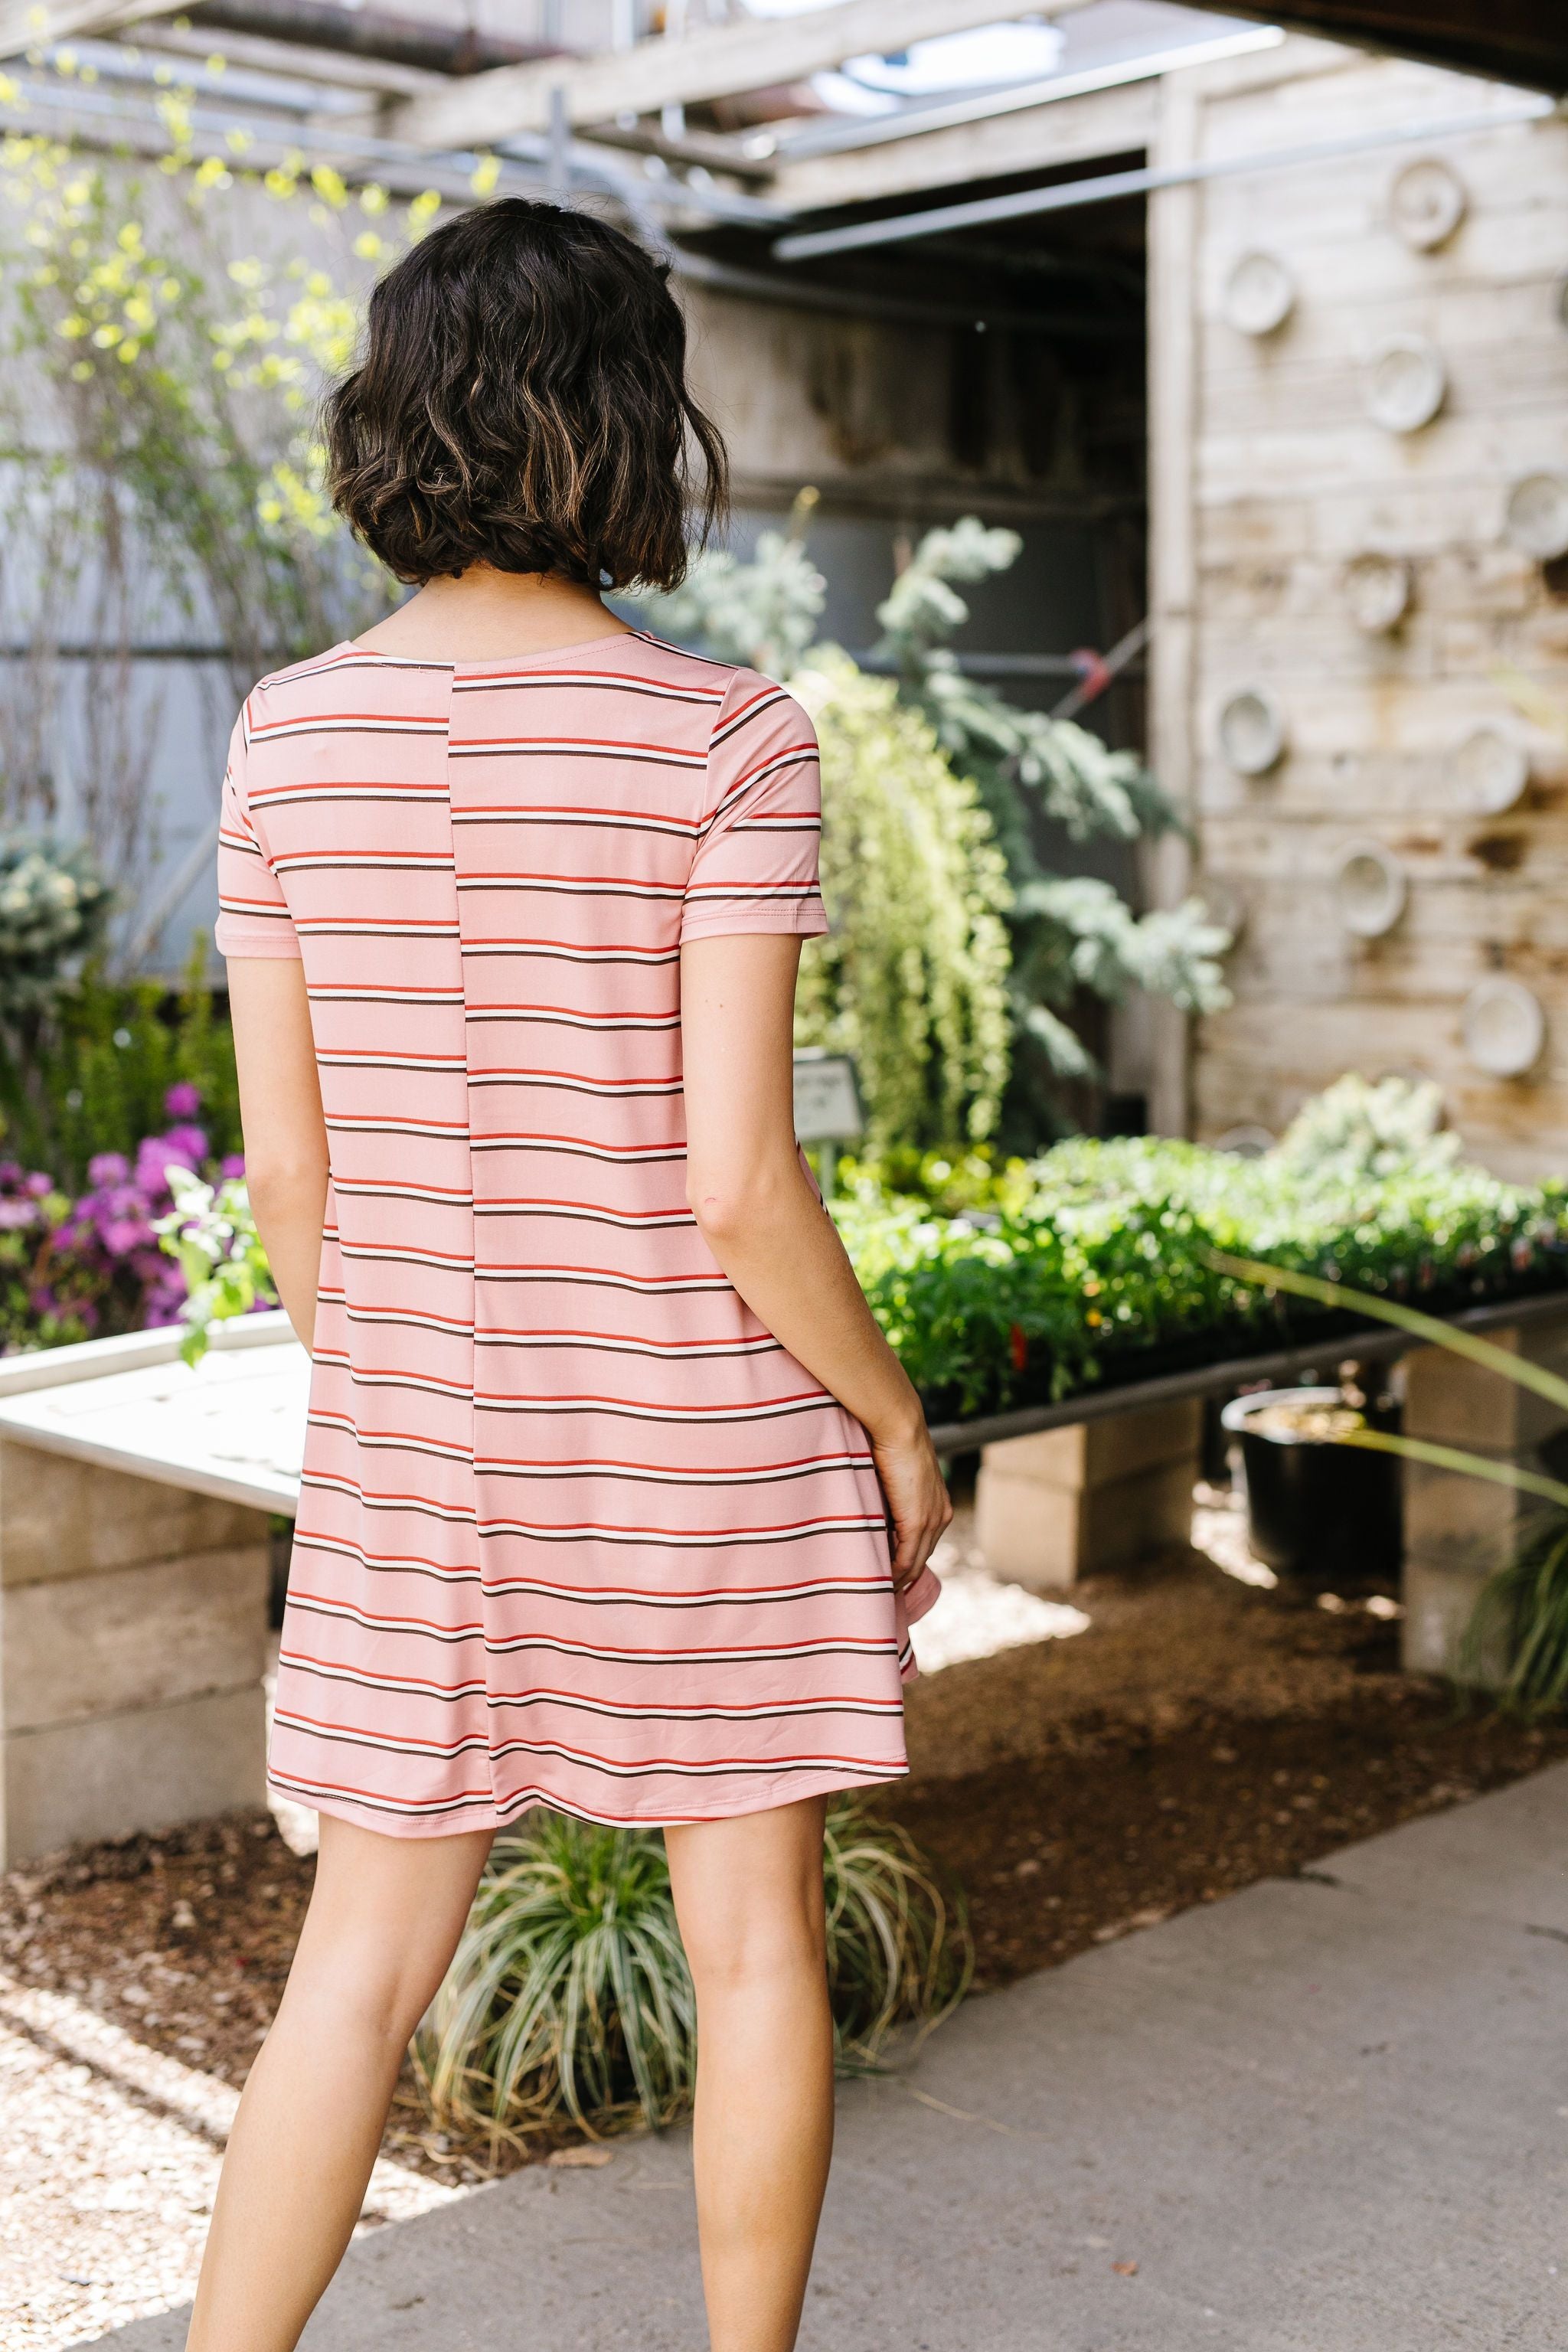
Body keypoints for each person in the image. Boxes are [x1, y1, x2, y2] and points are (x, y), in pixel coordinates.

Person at [194, 196, 949, 2352]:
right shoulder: (727, 739)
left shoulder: (283, 736)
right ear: (628, 422)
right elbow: (738, 1187)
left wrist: (415, 1386)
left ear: (397, 420)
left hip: (418, 1452)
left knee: (352, 1972)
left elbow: (289, 1174)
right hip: (699, 1451)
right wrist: (893, 1417)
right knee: (752, 1951)